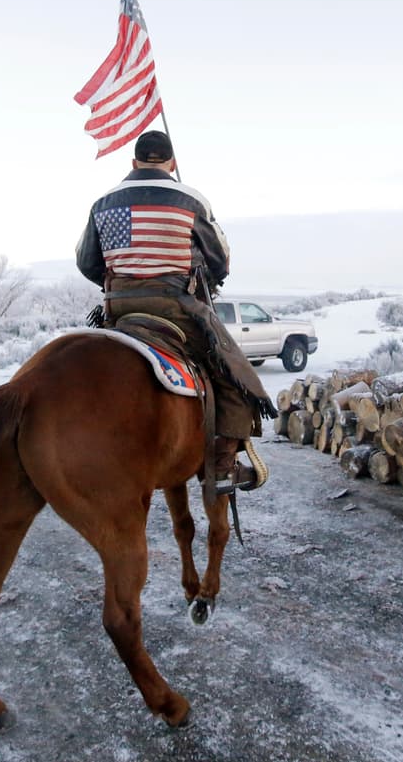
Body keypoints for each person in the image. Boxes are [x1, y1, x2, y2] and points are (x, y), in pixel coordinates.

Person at [75, 130, 275, 494]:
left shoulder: (102, 203)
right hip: (177, 307)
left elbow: (86, 262)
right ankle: (223, 466)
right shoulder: (190, 199)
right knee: (231, 371)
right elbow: (221, 260)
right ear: (172, 163)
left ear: (134, 163)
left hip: (117, 310)